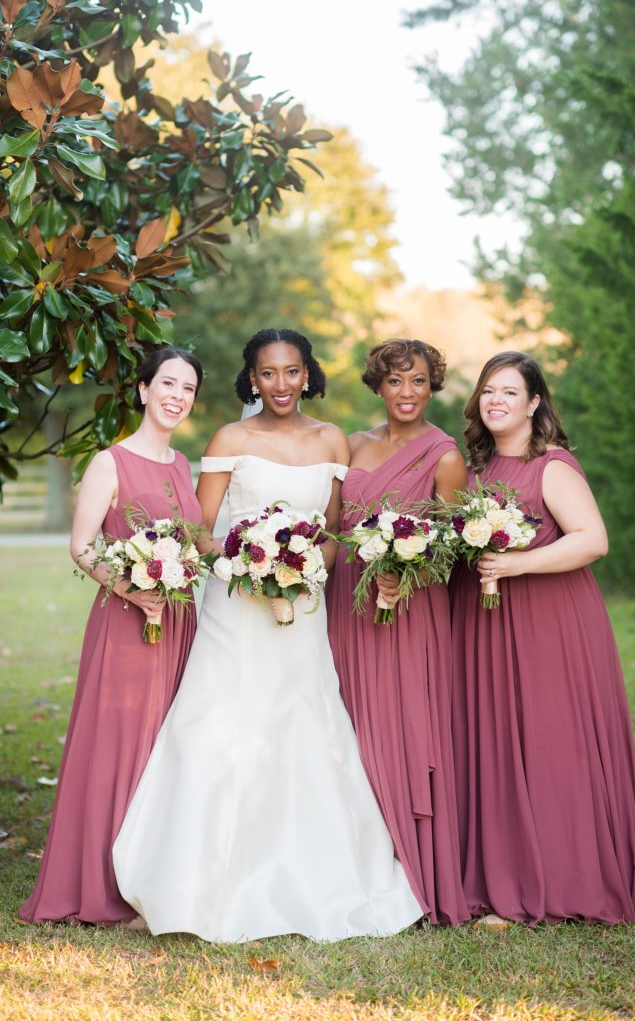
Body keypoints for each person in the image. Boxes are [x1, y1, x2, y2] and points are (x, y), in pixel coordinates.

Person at [113, 328, 423, 942]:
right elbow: (200, 530)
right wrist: (247, 570)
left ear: (308, 374)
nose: (280, 384)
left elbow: (333, 532)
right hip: (234, 608)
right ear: (251, 379)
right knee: (213, 722)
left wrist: (303, 572)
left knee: (305, 722)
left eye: (291, 371)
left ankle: (316, 874)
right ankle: (196, 877)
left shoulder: (332, 440)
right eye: (267, 373)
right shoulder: (230, 438)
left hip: (304, 610)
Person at [451, 350, 635, 924]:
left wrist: (517, 563)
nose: (495, 400)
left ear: (535, 403)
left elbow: (593, 539)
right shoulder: (473, 472)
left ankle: (563, 880)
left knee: (548, 740)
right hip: (486, 625)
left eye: (509, 392)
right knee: (497, 741)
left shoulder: (552, 465)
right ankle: (502, 875)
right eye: (488, 390)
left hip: (552, 622)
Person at [20, 347, 204, 925]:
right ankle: (100, 885)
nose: (177, 396)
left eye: (189, 388)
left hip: (177, 622)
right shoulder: (110, 461)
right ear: (144, 390)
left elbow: (195, 544)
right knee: (119, 745)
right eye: (167, 384)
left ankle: (148, 875)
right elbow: (82, 546)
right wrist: (130, 587)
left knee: (163, 746)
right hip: (127, 622)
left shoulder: (181, 465)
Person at [327, 339, 470, 926]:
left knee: (404, 727)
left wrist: (404, 575)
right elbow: (334, 528)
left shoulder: (445, 455)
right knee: (347, 725)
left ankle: (413, 869)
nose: (406, 394)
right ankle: (352, 865)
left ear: (432, 386)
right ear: (378, 386)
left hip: (409, 611)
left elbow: (456, 541)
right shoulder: (352, 446)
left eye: (417, 382)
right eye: (395, 382)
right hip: (345, 606)